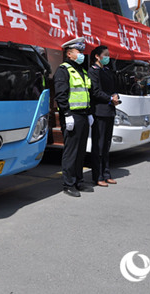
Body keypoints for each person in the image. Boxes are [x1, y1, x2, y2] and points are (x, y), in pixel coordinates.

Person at [54, 37, 93, 197]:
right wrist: (67, 114)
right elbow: (61, 95)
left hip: (83, 115)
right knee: (71, 151)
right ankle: (68, 184)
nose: (82, 54)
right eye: (79, 51)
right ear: (69, 53)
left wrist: (89, 113)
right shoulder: (63, 70)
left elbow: (86, 94)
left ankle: (79, 181)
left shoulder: (82, 70)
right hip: (72, 116)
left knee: (81, 151)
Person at [88, 45, 119, 187]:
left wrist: (115, 95)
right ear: (97, 56)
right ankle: (98, 175)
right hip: (99, 111)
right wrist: (109, 98)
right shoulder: (93, 71)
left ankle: (107, 173)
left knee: (106, 145)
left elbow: (112, 88)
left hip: (110, 111)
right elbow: (95, 91)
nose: (108, 57)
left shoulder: (107, 71)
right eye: (105, 55)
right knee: (98, 145)